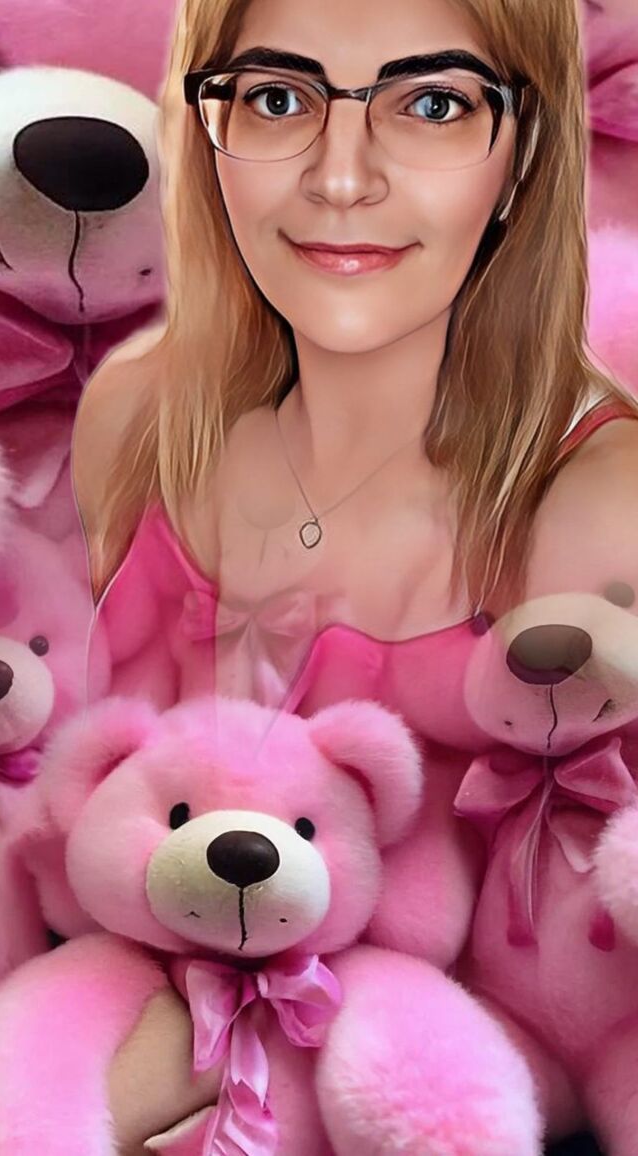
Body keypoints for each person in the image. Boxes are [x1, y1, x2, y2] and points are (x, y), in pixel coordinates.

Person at [71, 0, 638, 1150]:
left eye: (431, 104)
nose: (340, 179)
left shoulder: (589, 498)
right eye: (277, 99)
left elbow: (565, 1027)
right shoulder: (138, 416)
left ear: (526, 147)